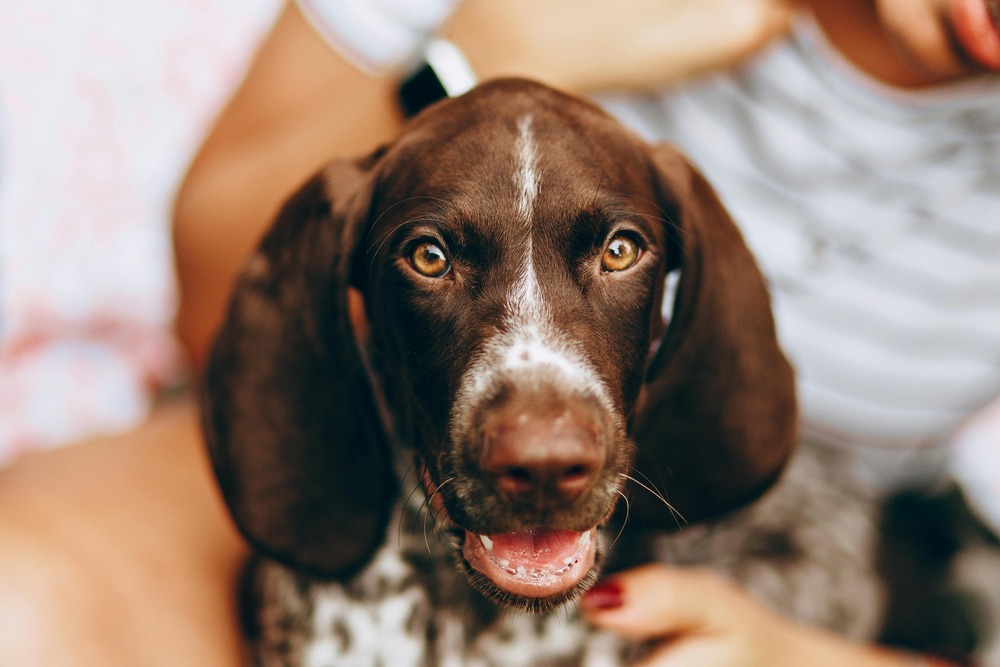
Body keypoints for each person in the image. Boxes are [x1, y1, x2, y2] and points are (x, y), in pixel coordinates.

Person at [0, 1, 997, 666]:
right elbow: (212, 301)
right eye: (433, 252)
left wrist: (813, 658)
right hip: (327, 420)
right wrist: (481, 45)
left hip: (750, 525)